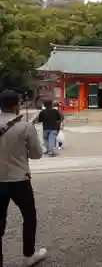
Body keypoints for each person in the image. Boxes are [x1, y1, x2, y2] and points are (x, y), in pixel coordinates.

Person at [0, 90, 47, 266]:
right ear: (16, 105)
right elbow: (36, 154)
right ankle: (28, 255)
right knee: (29, 216)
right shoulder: (25, 127)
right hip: (19, 179)